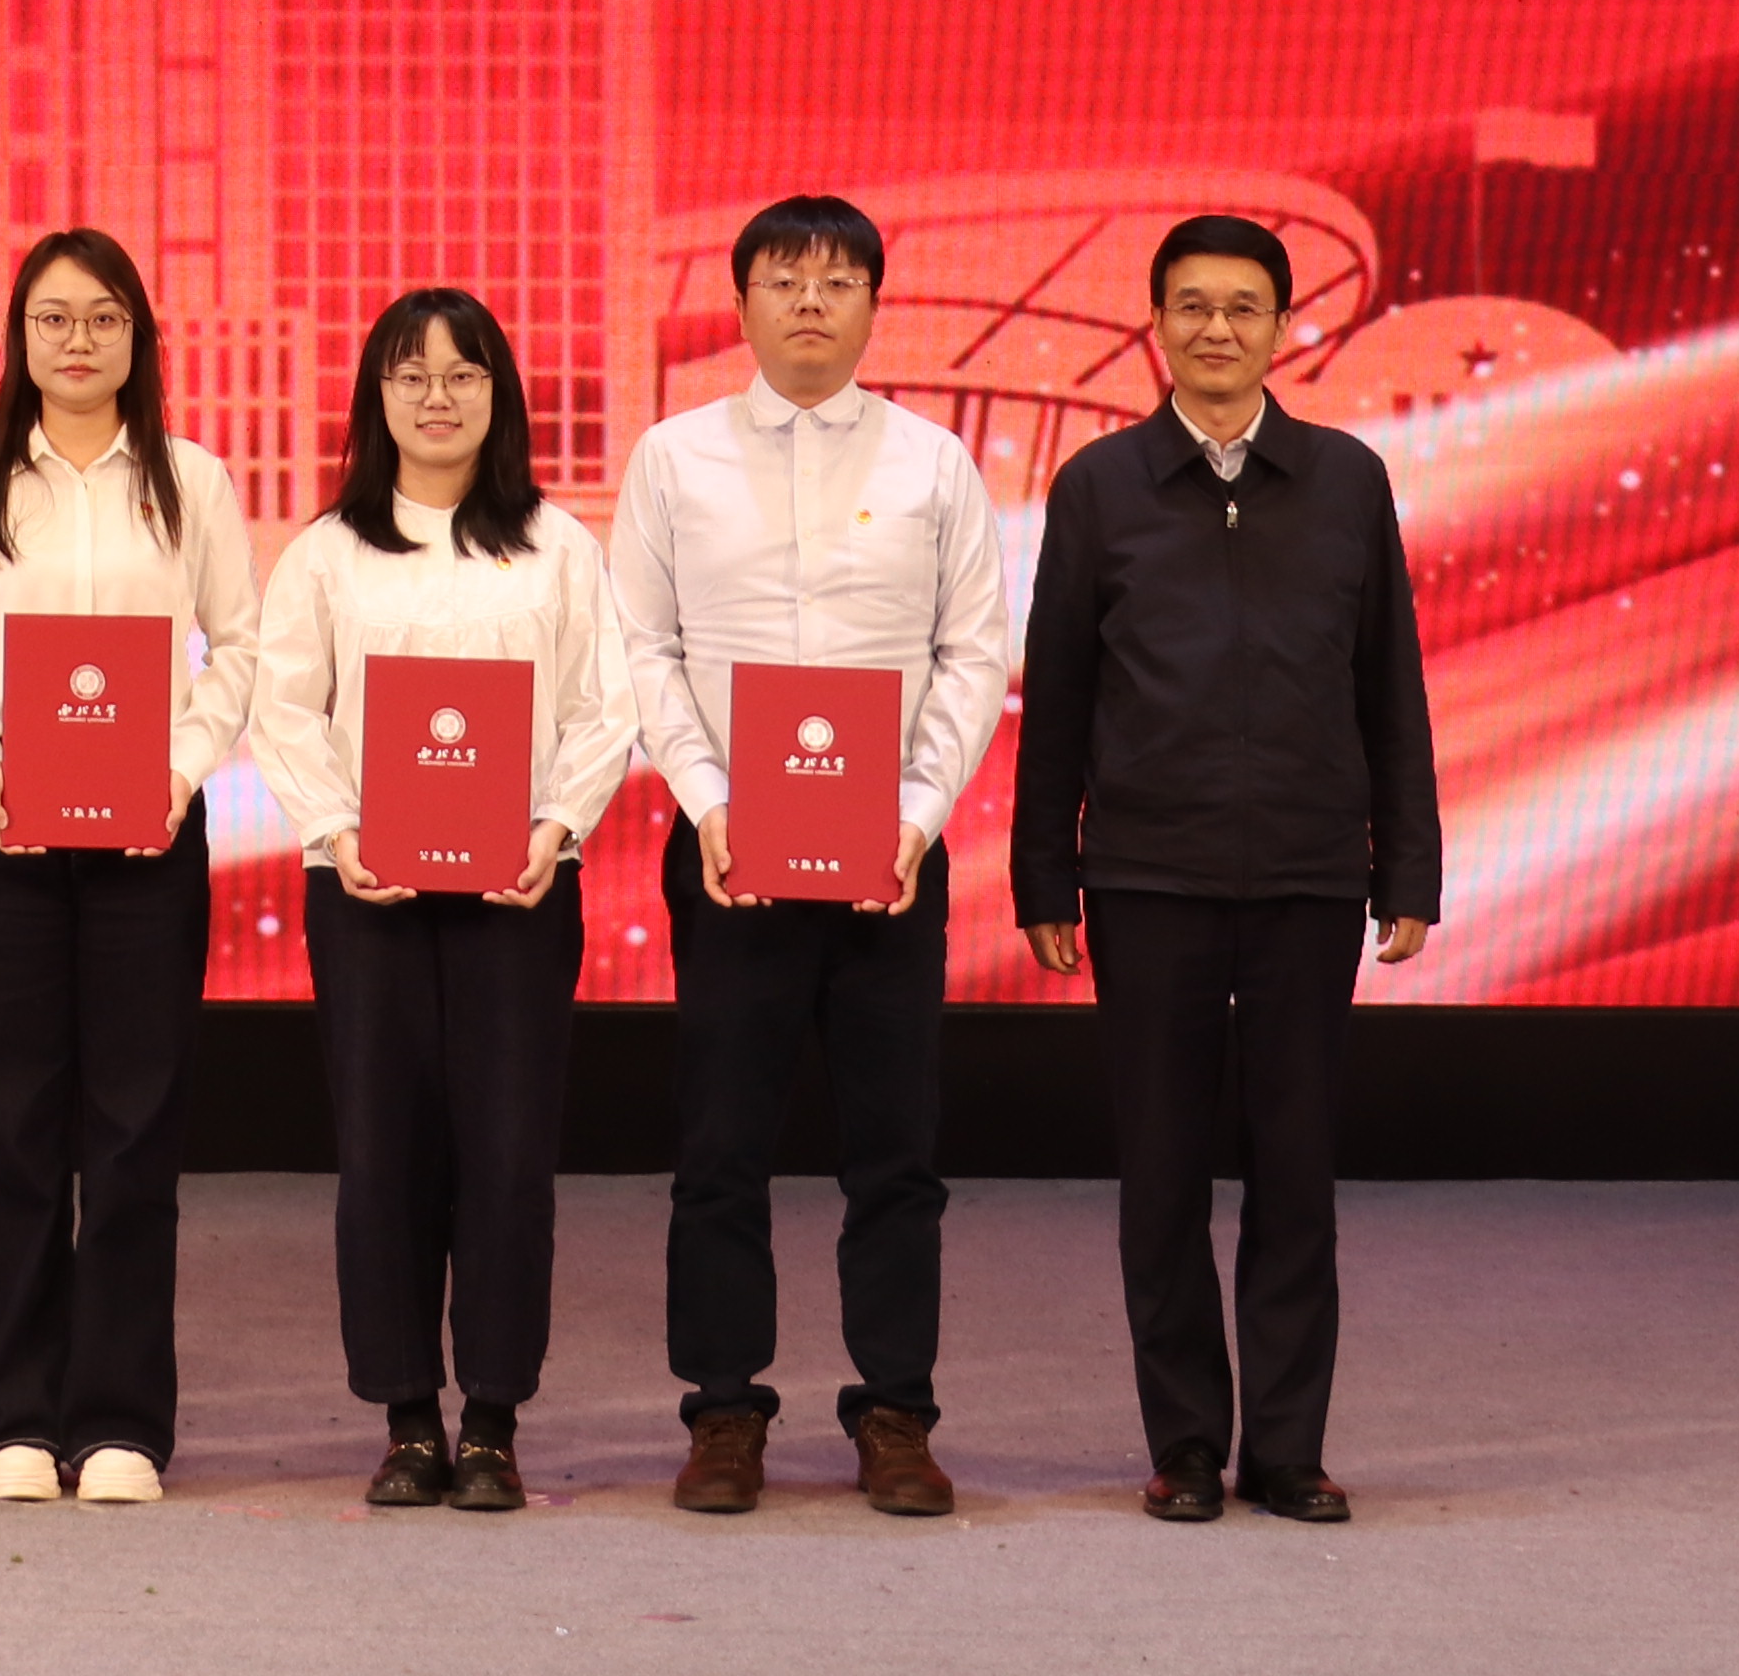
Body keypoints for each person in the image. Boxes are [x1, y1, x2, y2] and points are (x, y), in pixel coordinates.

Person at [1013, 212, 1442, 1528]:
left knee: (1297, 1173)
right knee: (1162, 1177)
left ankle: (1290, 1451)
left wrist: (1407, 868)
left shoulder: (1348, 479)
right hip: (1149, 875)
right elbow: (1059, 696)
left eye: (1243, 306)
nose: (1217, 328)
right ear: (1156, 325)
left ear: (1283, 328)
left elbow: (1391, 685)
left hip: (1309, 873)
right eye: (1192, 305)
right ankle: (1187, 1445)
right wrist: (1045, 876)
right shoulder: (1100, 486)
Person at [608, 190, 1012, 1518]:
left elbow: (972, 652)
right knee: (721, 1145)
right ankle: (724, 1410)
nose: (810, 303)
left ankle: (895, 1411)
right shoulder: (673, 458)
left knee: (895, 1150)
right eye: (784, 280)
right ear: (742, 304)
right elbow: (644, 645)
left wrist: (917, 812)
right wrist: (708, 797)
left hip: (890, 859)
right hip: (730, 851)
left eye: (838, 282)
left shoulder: (933, 464)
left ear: (874, 304)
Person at [0, 225, 256, 1508]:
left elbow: (241, 649)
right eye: (54, 318)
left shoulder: (192, 482)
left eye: (104, 317)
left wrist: (180, 770)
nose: (79, 339)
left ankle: (118, 1423)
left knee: (137, 1128)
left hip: (150, 838)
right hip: (6, 838)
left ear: (139, 337)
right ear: (21, 338)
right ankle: (12, 1420)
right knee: (11, 1127)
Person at [251, 288, 634, 1518]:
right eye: (409, 375)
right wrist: (337, 828)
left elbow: (604, 706)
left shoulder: (558, 547)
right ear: (376, 397)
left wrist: (555, 826)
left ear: (498, 396)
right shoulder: (326, 552)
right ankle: (408, 1418)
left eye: (462, 374)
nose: (436, 396)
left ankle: (494, 1422)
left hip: (519, 893)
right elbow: (283, 707)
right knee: (383, 1153)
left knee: (508, 1156)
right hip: (366, 892)